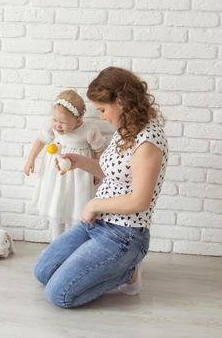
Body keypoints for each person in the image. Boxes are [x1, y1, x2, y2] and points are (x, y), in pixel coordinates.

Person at [33, 67, 168, 308]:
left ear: (121, 101)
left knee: (59, 295)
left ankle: (129, 272)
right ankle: (106, 266)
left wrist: (94, 203)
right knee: (43, 271)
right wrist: (78, 162)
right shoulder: (124, 130)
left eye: (103, 110)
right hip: (96, 223)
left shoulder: (147, 142)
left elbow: (140, 200)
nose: (102, 117)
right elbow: (113, 175)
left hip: (124, 235)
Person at [24, 89, 106, 240]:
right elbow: (40, 141)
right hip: (55, 175)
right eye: (55, 120)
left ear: (78, 120)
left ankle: (72, 242)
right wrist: (31, 159)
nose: (57, 125)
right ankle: (56, 242)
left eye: (63, 122)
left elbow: (99, 150)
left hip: (78, 176)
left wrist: (97, 171)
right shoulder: (51, 126)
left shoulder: (88, 130)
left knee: (76, 207)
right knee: (56, 204)